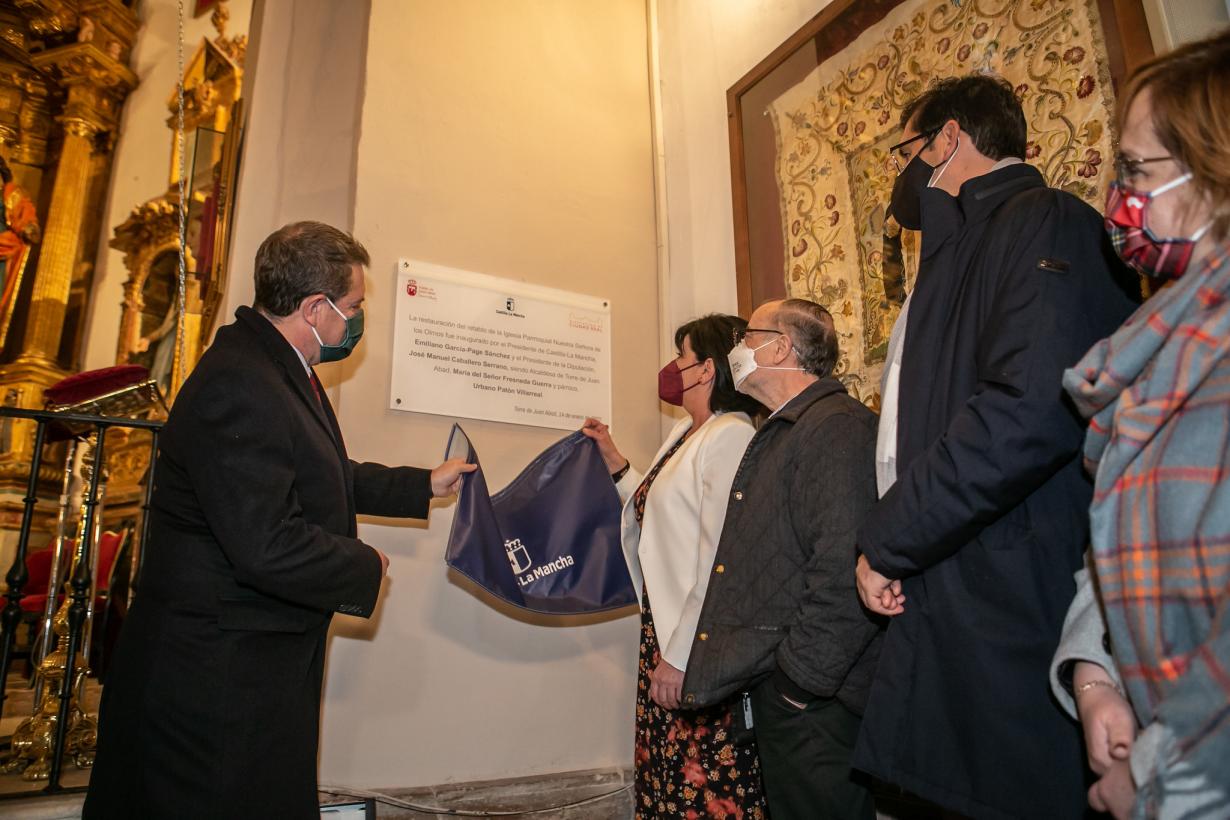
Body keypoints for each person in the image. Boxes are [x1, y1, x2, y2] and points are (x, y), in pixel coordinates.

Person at [84, 222, 474, 818]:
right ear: (315, 308)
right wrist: (363, 564)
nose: (357, 319)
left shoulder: (274, 367)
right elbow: (265, 542)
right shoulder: (241, 382)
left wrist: (422, 484)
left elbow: (319, 472)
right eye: (353, 306)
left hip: (247, 661)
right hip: (213, 679)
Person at [851, 74, 1139, 819]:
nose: (900, 176)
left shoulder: (1045, 220)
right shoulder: (953, 255)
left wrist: (888, 538)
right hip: (947, 590)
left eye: (906, 152)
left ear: (948, 139)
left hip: (1010, 604)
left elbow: (1027, 410)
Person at [1049, 28, 1230, 820]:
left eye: (1135, 170)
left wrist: (1154, 773)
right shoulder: (1154, 345)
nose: (1118, 198)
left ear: (1214, 175)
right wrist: (1096, 677)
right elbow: (1117, 544)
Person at [677, 298, 881, 820]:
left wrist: (796, 686)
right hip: (791, 691)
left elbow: (842, 570)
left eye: (747, 337)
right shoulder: (788, 427)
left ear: (780, 347)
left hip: (816, 702)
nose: (737, 350)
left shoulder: (837, 427)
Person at [582, 313, 766, 820]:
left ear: (706, 369)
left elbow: (719, 555)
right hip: (665, 633)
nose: (672, 366)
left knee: (701, 782)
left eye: (682, 356)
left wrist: (683, 654)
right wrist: (614, 460)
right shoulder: (689, 431)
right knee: (667, 774)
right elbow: (661, 508)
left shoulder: (730, 435)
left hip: (698, 642)